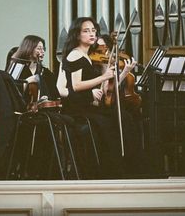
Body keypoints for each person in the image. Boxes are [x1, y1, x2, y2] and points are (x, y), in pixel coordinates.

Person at [57, 17, 142, 178]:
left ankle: (128, 167)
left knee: (124, 117)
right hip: (77, 109)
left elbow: (102, 89)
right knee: (112, 122)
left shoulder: (87, 55)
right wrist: (103, 78)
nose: (91, 34)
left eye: (93, 30)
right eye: (86, 31)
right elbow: (75, 86)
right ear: (77, 35)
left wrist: (117, 73)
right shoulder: (75, 55)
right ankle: (113, 171)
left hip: (87, 105)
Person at [12, 35, 60, 107]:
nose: (43, 52)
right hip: (22, 109)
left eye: (43, 49)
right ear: (29, 49)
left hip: (44, 110)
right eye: (39, 49)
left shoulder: (46, 72)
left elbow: (54, 95)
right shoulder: (17, 68)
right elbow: (11, 92)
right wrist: (27, 81)